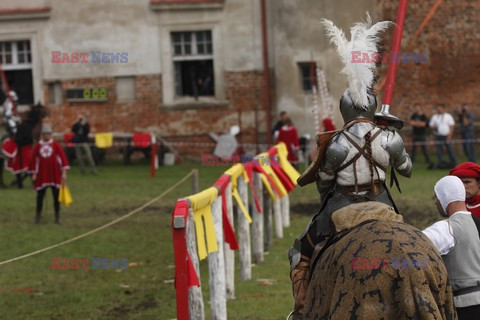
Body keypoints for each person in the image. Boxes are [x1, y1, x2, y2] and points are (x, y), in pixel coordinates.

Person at [288, 15, 412, 318]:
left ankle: (301, 309)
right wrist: (391, 141)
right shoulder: (389, 137)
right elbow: (407, 170)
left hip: (340, 206)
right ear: (371, 108)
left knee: (300, 250)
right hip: (381, 201)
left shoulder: (336, 143)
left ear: (344, 109)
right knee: (411, 243)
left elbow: (324, 184)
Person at [423, 175, 480, 319]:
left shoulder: (446, 228)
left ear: (445, 197)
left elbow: (410, 246)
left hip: (465, 308)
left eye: (437, 197)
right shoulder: (477, 223)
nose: (436, 203)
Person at [29, 124, 70, 224]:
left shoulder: (55, 145)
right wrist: (34, 173)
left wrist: (64, 172)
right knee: (40, 196)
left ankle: (57, 216)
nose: (46, 136)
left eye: (48, 134)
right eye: (45, 134)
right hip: (42, 175)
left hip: (54, 174)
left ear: (50, 135)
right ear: (42, 135)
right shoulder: (38, 146)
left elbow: (62, 158)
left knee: (56, 196)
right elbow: (34, 160)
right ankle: (38, 216)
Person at [429, 103, 457, 169]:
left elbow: (452, 126)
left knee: (450, 150)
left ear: (443, 108)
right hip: (438, 136)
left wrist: (449, 136)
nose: (439, 109)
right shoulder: (435, 117)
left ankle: (453, 163)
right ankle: (441, 164)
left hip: (446, 136)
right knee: (439, 151)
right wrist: (434, 127)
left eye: (440, 107)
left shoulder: (448, 116)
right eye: (437, 108)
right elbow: (431, 125)